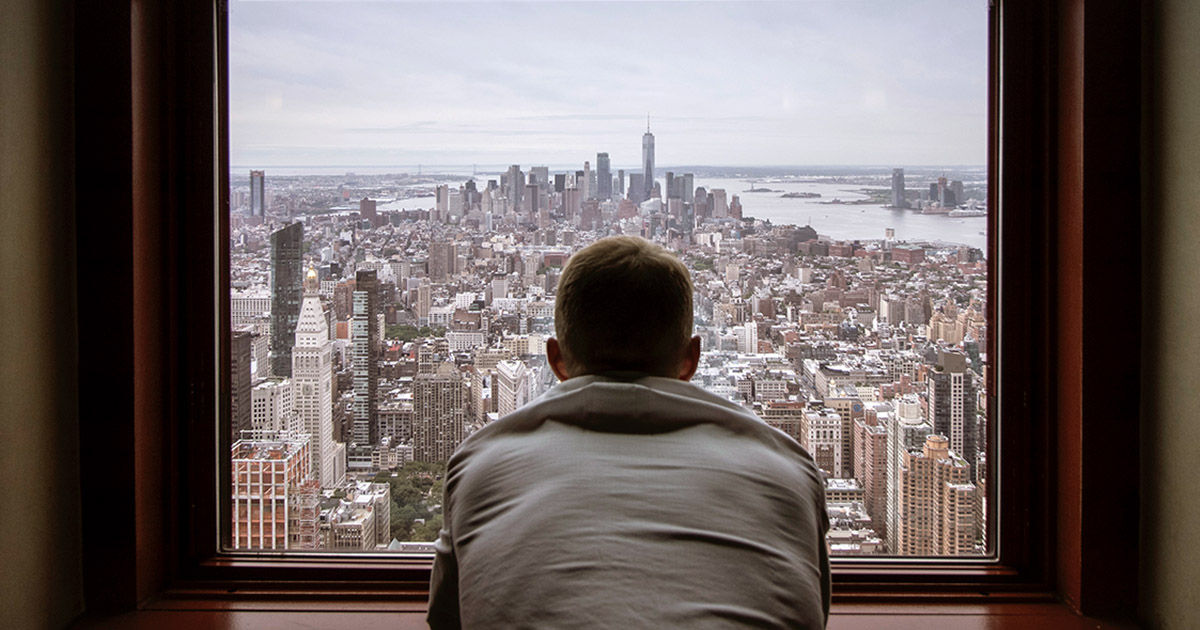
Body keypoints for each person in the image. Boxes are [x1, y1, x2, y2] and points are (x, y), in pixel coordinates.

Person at [428, 235, 830, 629]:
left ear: (557, 360)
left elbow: (447, 619)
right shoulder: (786, 469)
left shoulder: (480, 466)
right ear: (691, 359)